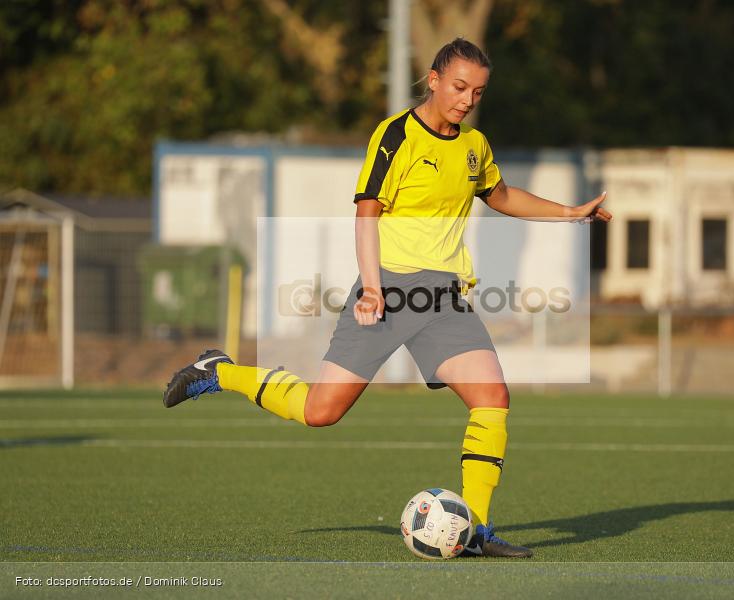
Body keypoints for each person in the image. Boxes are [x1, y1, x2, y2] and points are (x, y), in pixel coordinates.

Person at [163, 38, 611, 558]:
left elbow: (502, 195)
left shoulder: (475, 145)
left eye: (478, 92)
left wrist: (570, 213)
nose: (467, 100)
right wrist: (373, 287)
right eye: (459, 86)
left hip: (444, 299)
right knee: (319, 411)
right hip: (389, 292)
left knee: (492, 398)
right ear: (434, 79)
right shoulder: (396, 135)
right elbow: (367, 213)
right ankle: (219, 372)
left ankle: (476, 532)